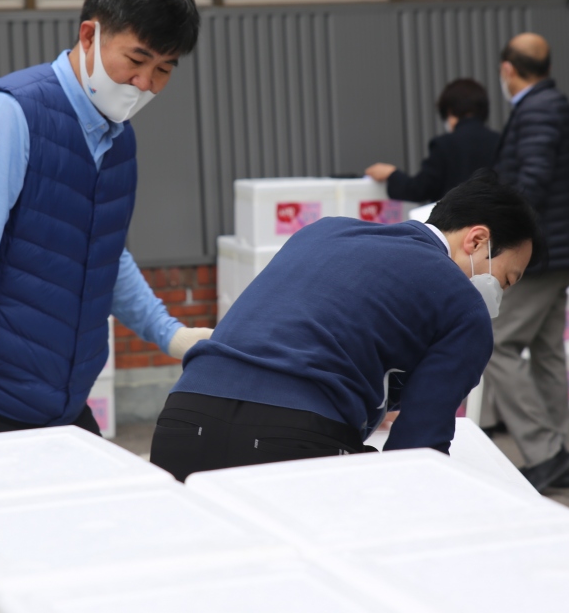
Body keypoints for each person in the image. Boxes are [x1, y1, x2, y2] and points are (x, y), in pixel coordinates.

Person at [0, 0, 213, 442]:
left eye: (164, 69)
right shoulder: (8, 115)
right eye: (137, 59)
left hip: (50, 398)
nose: (145, 82)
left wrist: (169, 333)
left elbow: (100, 252)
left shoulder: (117, 139)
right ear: (90, 35)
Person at [148, 171, 543, 483]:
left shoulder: (323, 231)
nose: (497, 296)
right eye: (505, 280)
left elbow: (309, 334)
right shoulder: (465, 305)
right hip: (292, 439)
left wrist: (373, 401)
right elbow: (417, 451)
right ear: (477, 240)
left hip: (181, 420)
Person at [485, 32, 569, 492]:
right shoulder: (553, 104)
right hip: (558, 248)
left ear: (508, 68)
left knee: (497, 345)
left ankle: (545, 453)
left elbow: (532, 182)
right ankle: (555, 450)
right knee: (547, 352)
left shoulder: (537, 109)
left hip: (538, 252)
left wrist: (498, 232)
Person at [364, 78, 500, 203]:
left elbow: (419, 189)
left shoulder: (444, 145)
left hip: (454, 220)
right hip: (492, 219)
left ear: (450, 111)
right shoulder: (499, 141)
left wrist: (392, 174)